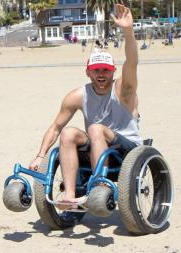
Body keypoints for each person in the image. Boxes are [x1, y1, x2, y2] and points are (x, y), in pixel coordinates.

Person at [29, 4, 142, 210]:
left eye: (106, 70)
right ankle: (70, 195)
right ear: (87, 72)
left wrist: (128, 30)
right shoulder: (78, 95)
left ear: (113, 71)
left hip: (126, 146)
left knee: (95, 128)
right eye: (96, 70)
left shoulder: (123, 89)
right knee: (69, 132)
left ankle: (99, 187)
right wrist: (40, 155)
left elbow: (132, 63)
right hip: (97, 143)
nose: (101, 74)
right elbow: (55, 127)